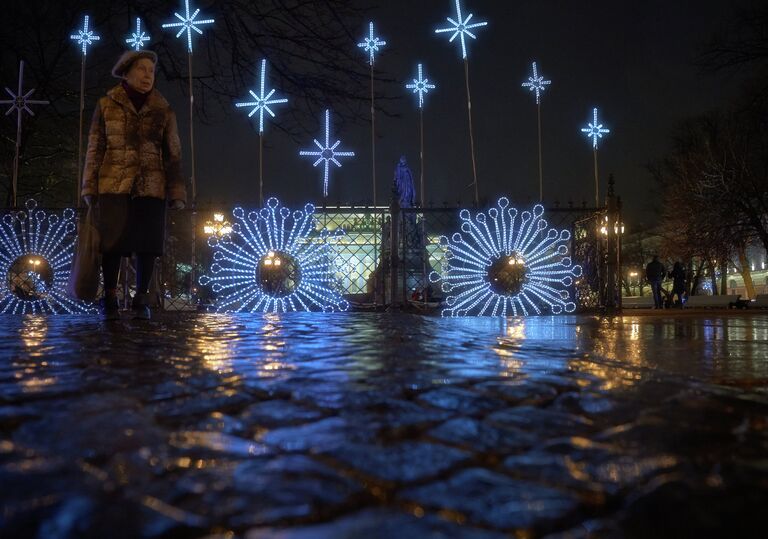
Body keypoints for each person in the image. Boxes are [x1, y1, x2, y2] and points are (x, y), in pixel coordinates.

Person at [81, 50, 186, 321]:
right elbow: (95, 147)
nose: (147, 75)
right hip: (113, 183)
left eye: (151, 70)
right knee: (112, 243)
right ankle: (110, 297)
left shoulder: (163, 109)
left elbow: (173, 153)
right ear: (126, 72)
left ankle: (142, 297)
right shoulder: (107, 104)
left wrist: (176, 191)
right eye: (141, 69)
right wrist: (89, 188)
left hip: (152, 185)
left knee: (148, 243)